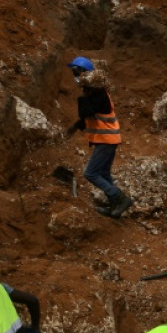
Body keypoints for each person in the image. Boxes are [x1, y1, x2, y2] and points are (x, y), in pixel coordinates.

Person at [65, 56, 134, 219]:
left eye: (76, 72)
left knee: (90, 173)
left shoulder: (98, 93)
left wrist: (82, 99)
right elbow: (88, 117)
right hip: (108, 140)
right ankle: (114, 205)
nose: (75, 76)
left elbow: (85, 111)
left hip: (106, 140)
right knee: (103, 173)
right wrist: (75, 127)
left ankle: (121, 199)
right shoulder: (94, 92)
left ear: (84, 73)